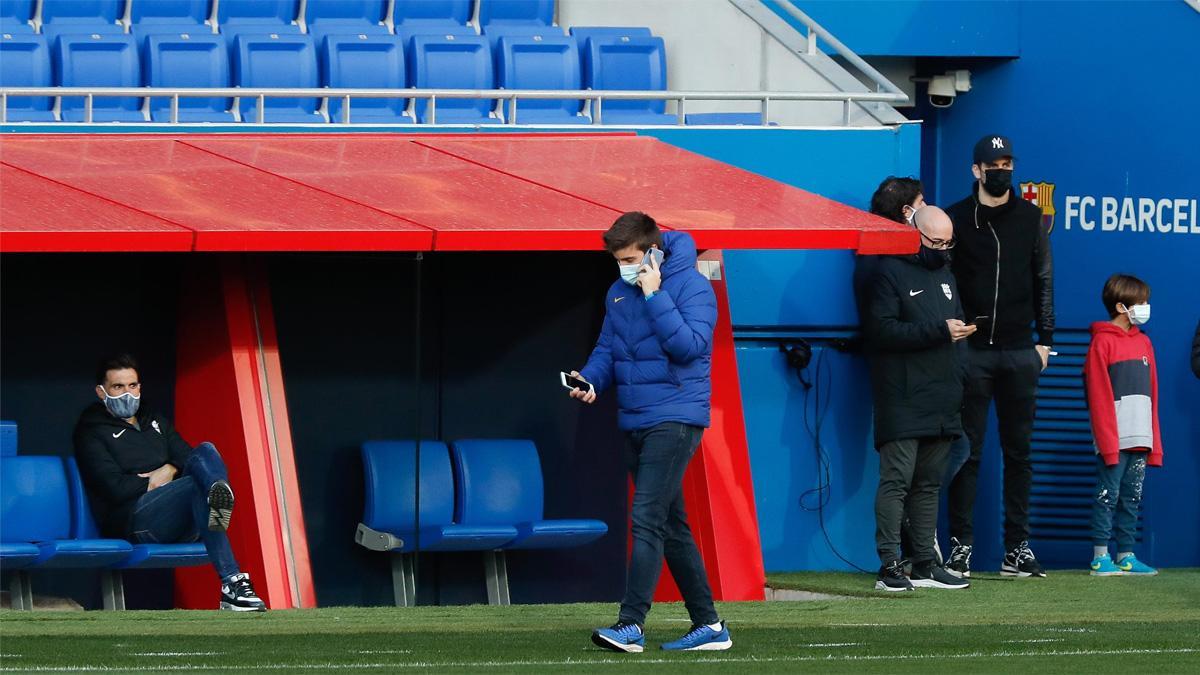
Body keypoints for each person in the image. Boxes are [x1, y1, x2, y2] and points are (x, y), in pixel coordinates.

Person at [568, 212, 730, 653]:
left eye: (629, 259)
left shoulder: (692, 286)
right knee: (670, 525)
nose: (624, 267)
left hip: (676, 417)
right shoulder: (618, 292)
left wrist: (656, 295)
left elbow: (689, 348)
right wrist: (590, 380)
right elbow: (607, 348)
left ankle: (631, 624)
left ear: (653, 252)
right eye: (618, 260)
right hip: (635, 418)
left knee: (645, 519)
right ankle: (710, 626)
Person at [74, 354, 266, 611]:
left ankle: (216, 494)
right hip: (135, 522)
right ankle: (231, 580)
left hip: (178, 517)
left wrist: (167, 469)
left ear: (140, 387)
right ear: (101, 391)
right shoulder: (91, 431)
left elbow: (187, 457)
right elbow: (114, 488)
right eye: (118, 387)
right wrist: (152, 484)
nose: (127, 394)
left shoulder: (154, 421)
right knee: (197, 485)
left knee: (206, 451)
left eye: (132, 385)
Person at [944, 134, 1054, 579]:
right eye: (994, 164)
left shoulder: (1030, 217)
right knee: (966, 453)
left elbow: (1043, 278)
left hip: (1019, 351)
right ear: (977, 170)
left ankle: (1017, 549)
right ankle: (961, 548)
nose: (1002, 170)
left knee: (1020, 454)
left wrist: (1044, 341)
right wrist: (953, 333)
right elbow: (944, 281)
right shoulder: (956, 217)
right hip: (971, 352)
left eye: (1007, 163)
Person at [865, 206, 973, 592]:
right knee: (896, 481)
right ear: (916, 233)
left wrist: (959, 368)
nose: (943, 250)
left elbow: (955, 328)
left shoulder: (946, 275)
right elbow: (882, 332)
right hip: (903, 396)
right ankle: (890, 565)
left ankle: (925, 564)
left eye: (949, 243)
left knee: (929, 484)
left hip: (942, 397)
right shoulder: (888, 272)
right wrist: (939, 331)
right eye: (936, 242)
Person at [1084, 275, 1163, 576]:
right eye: (1141, 302)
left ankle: (1126, 555)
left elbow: (1153, 394)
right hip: (1114, 439)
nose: (1145, 307)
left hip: (1141, 437)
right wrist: (1107, 442)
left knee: (1132, 496)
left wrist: (1154, 442)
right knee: (1108, 495)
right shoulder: (1101, 342)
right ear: (1121, 306)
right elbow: (1098, 396)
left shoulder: (1145, 342)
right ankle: (1100, 557)